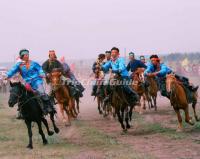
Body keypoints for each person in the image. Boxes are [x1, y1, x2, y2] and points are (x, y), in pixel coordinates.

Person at [6, 49, 54, 117]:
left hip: (37, 81)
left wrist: (42, 74)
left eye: (27, 55)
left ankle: (48, 107)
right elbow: (12, 71)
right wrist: (7, 76)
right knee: (23, 95)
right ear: (22, 56)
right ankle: (21, 112)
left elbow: (40, 69)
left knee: (42, 93)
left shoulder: (34, 63)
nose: (27, 56)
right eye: (25, 55)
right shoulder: (18, 65)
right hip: (27, 83)